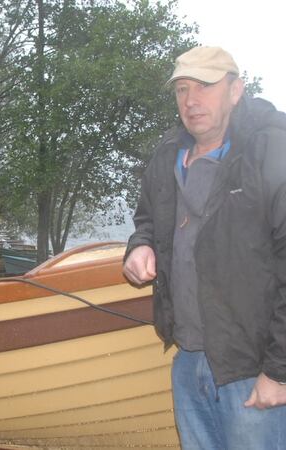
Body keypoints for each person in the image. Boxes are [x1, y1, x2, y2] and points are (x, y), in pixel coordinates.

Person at [123, 46, 286, 449]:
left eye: (205, 86)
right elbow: (147, 220)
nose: (191, 100)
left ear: (235, 91)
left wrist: (280, 371)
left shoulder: (272, 150)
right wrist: (140, 247)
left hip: (252, 367)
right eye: (181, 88)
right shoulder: (168, 154)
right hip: (189, 358)